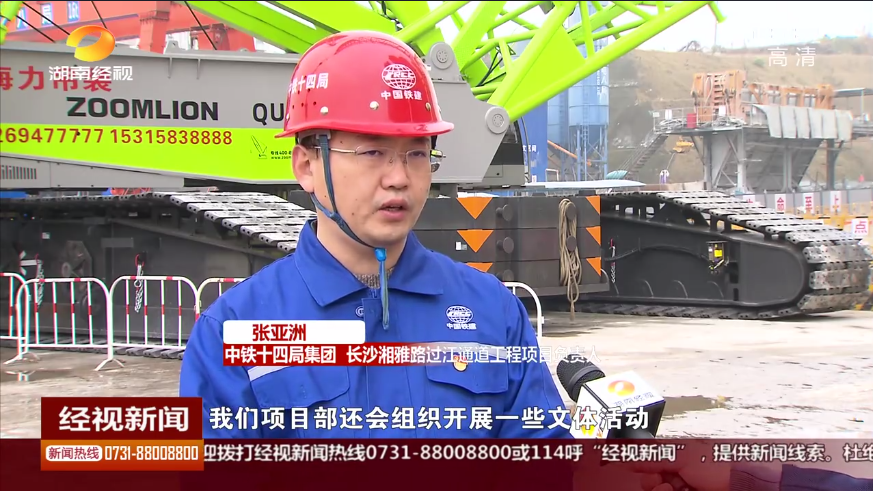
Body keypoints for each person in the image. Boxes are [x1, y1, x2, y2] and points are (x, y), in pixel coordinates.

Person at [179, 30, 572, 439]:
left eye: (416, 153)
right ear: (307, 166)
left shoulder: (491, 310)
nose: (399, 178)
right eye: (372, 152)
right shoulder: (234, 329)